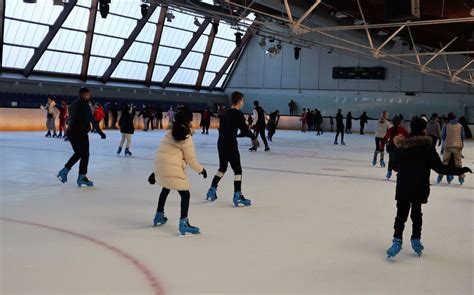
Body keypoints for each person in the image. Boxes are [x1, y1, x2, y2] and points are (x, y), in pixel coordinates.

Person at [385, 117, 471, 259]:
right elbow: (440, 168)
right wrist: (459, 170)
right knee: (417, 213)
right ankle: (416, 239)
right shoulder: (427, 147)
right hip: (419, 186)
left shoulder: (401, 145)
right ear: (424, 129)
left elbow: (394, 165)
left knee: (401, 214)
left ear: (411, 128)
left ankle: (397, 241)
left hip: (404, 185)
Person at [147, 107, 207, 237]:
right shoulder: (186, 136)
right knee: (185, 194)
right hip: (172, 167)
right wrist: (201, 170)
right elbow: (191, 160)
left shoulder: (169, 133)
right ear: (189, 121)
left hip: (161, 165)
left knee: (166, 188)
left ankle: (158, 215)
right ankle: (184, 223)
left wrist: (155, 172)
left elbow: (162, 154)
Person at [206, 92, 259, 207]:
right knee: (238, 170)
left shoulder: (225, 113)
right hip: (230, 144)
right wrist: (254, 138)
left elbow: (222, 129)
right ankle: (237, 195)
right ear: (239, 101)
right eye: (243, 100)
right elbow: (244, 130)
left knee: (222, 168)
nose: (243, 102)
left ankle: (212, 189)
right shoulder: (238, 114)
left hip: (221, 143)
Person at [56, 88, 106, 187]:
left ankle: (64, 171)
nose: (90, 96)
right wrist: (101, 133)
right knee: (85, 155)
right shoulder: (84, 106)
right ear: (85, 95)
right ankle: (81, 177)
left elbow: (70, 118)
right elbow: (92, 120)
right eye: (89, 95)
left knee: (78, 153)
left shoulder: (73, 104)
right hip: (80, 133)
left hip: (71, 133)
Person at [437, 112, 466, 185]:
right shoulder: (460, 126)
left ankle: (440, 176)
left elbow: (443, 136)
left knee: (445, 162)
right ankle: (461, 178)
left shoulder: (446, 126)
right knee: (458, 163)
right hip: (458, 146)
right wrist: (461, 143)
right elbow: (463, 136)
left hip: (448, 145)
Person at [383, 116, 408, 180]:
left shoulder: (391, 129)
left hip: (392, 146)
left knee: (391, 159)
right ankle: (400, 172)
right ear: (399, 123)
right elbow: (408, 136)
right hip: (399, 146)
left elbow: (386, 137)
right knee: (400, 160)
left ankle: (389, 172)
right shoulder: (402, 129)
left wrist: (385, 142)